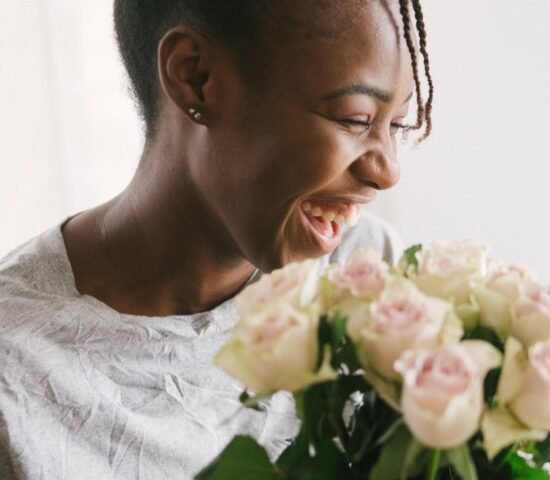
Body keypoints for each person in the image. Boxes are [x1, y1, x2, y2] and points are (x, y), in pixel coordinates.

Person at [0, 1, 434, 478]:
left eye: (397, 124)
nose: (387, 171)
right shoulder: (16, 378)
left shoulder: (369, 276)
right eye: (354, 118)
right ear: (197, 77)